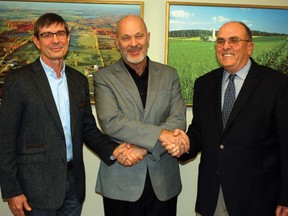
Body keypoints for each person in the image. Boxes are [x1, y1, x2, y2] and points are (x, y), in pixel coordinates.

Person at [0, 13, 141, 216]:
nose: (55, 40)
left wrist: (116, 150)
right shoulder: (18, 81)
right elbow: (5, 140)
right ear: (36, 41)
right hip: (35, 188)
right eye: (47, 35)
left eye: (60, 33)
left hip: (73, 186)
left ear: (68, 37)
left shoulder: (78, 81)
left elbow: (87, 129)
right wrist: (12, 190)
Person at [174, 21, 288, 216]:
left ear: (249, 47)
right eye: (220, 41)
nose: (225, 46)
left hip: (258, 198)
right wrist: (183, 144)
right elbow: (200, 130)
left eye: (234, 40)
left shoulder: (277, 84)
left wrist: (286, 197)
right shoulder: (204, 84)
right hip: (214, 194)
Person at [93, 15, 189, 216]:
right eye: (126, 38)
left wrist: (142, 147)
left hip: (164, 181)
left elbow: (179, 119)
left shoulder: (169, 74)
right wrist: (161, 135)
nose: (134, 44)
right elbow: (111, 122)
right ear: (116, 42)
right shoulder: (104, 77)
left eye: (139, 36)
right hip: (121, 183)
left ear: (148, 37)